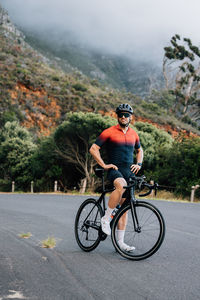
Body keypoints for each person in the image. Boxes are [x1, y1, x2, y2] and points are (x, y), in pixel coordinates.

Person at [89, 103, 143, 251]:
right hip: (114, 169)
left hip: (129, 170)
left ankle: (120, 243)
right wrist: (104, 164)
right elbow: (93, 149)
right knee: (120, 184)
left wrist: (139, 163)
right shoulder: (109, 131)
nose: (124, 117)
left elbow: (140, 150)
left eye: (127, 115)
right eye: (121, 114)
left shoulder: (134, 134)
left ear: (131, 117)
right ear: (117, 116)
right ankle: (106, 219)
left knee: (124, 208)